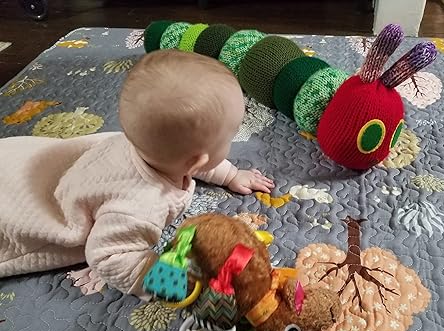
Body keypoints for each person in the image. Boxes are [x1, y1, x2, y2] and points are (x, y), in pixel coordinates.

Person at [0, 49, 274, 298]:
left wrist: (230, 175)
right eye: (230, 137)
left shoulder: (148, 144)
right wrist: (172, 282)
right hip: (22, 203)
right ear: (196, 161)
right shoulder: (139, 205)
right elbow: (109, 257)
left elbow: (195, 157)